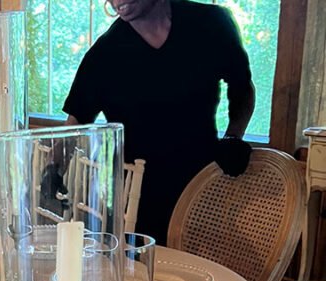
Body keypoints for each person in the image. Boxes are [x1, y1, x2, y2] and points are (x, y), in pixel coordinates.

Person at [63, 0, 255, 244]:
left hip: (201, 188)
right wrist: (50, 172)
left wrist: (233, 137)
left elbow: (242, 88)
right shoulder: (105, 53)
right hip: (135, 199)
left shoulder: (211, 23)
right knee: (143, 275)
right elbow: (75, 121)